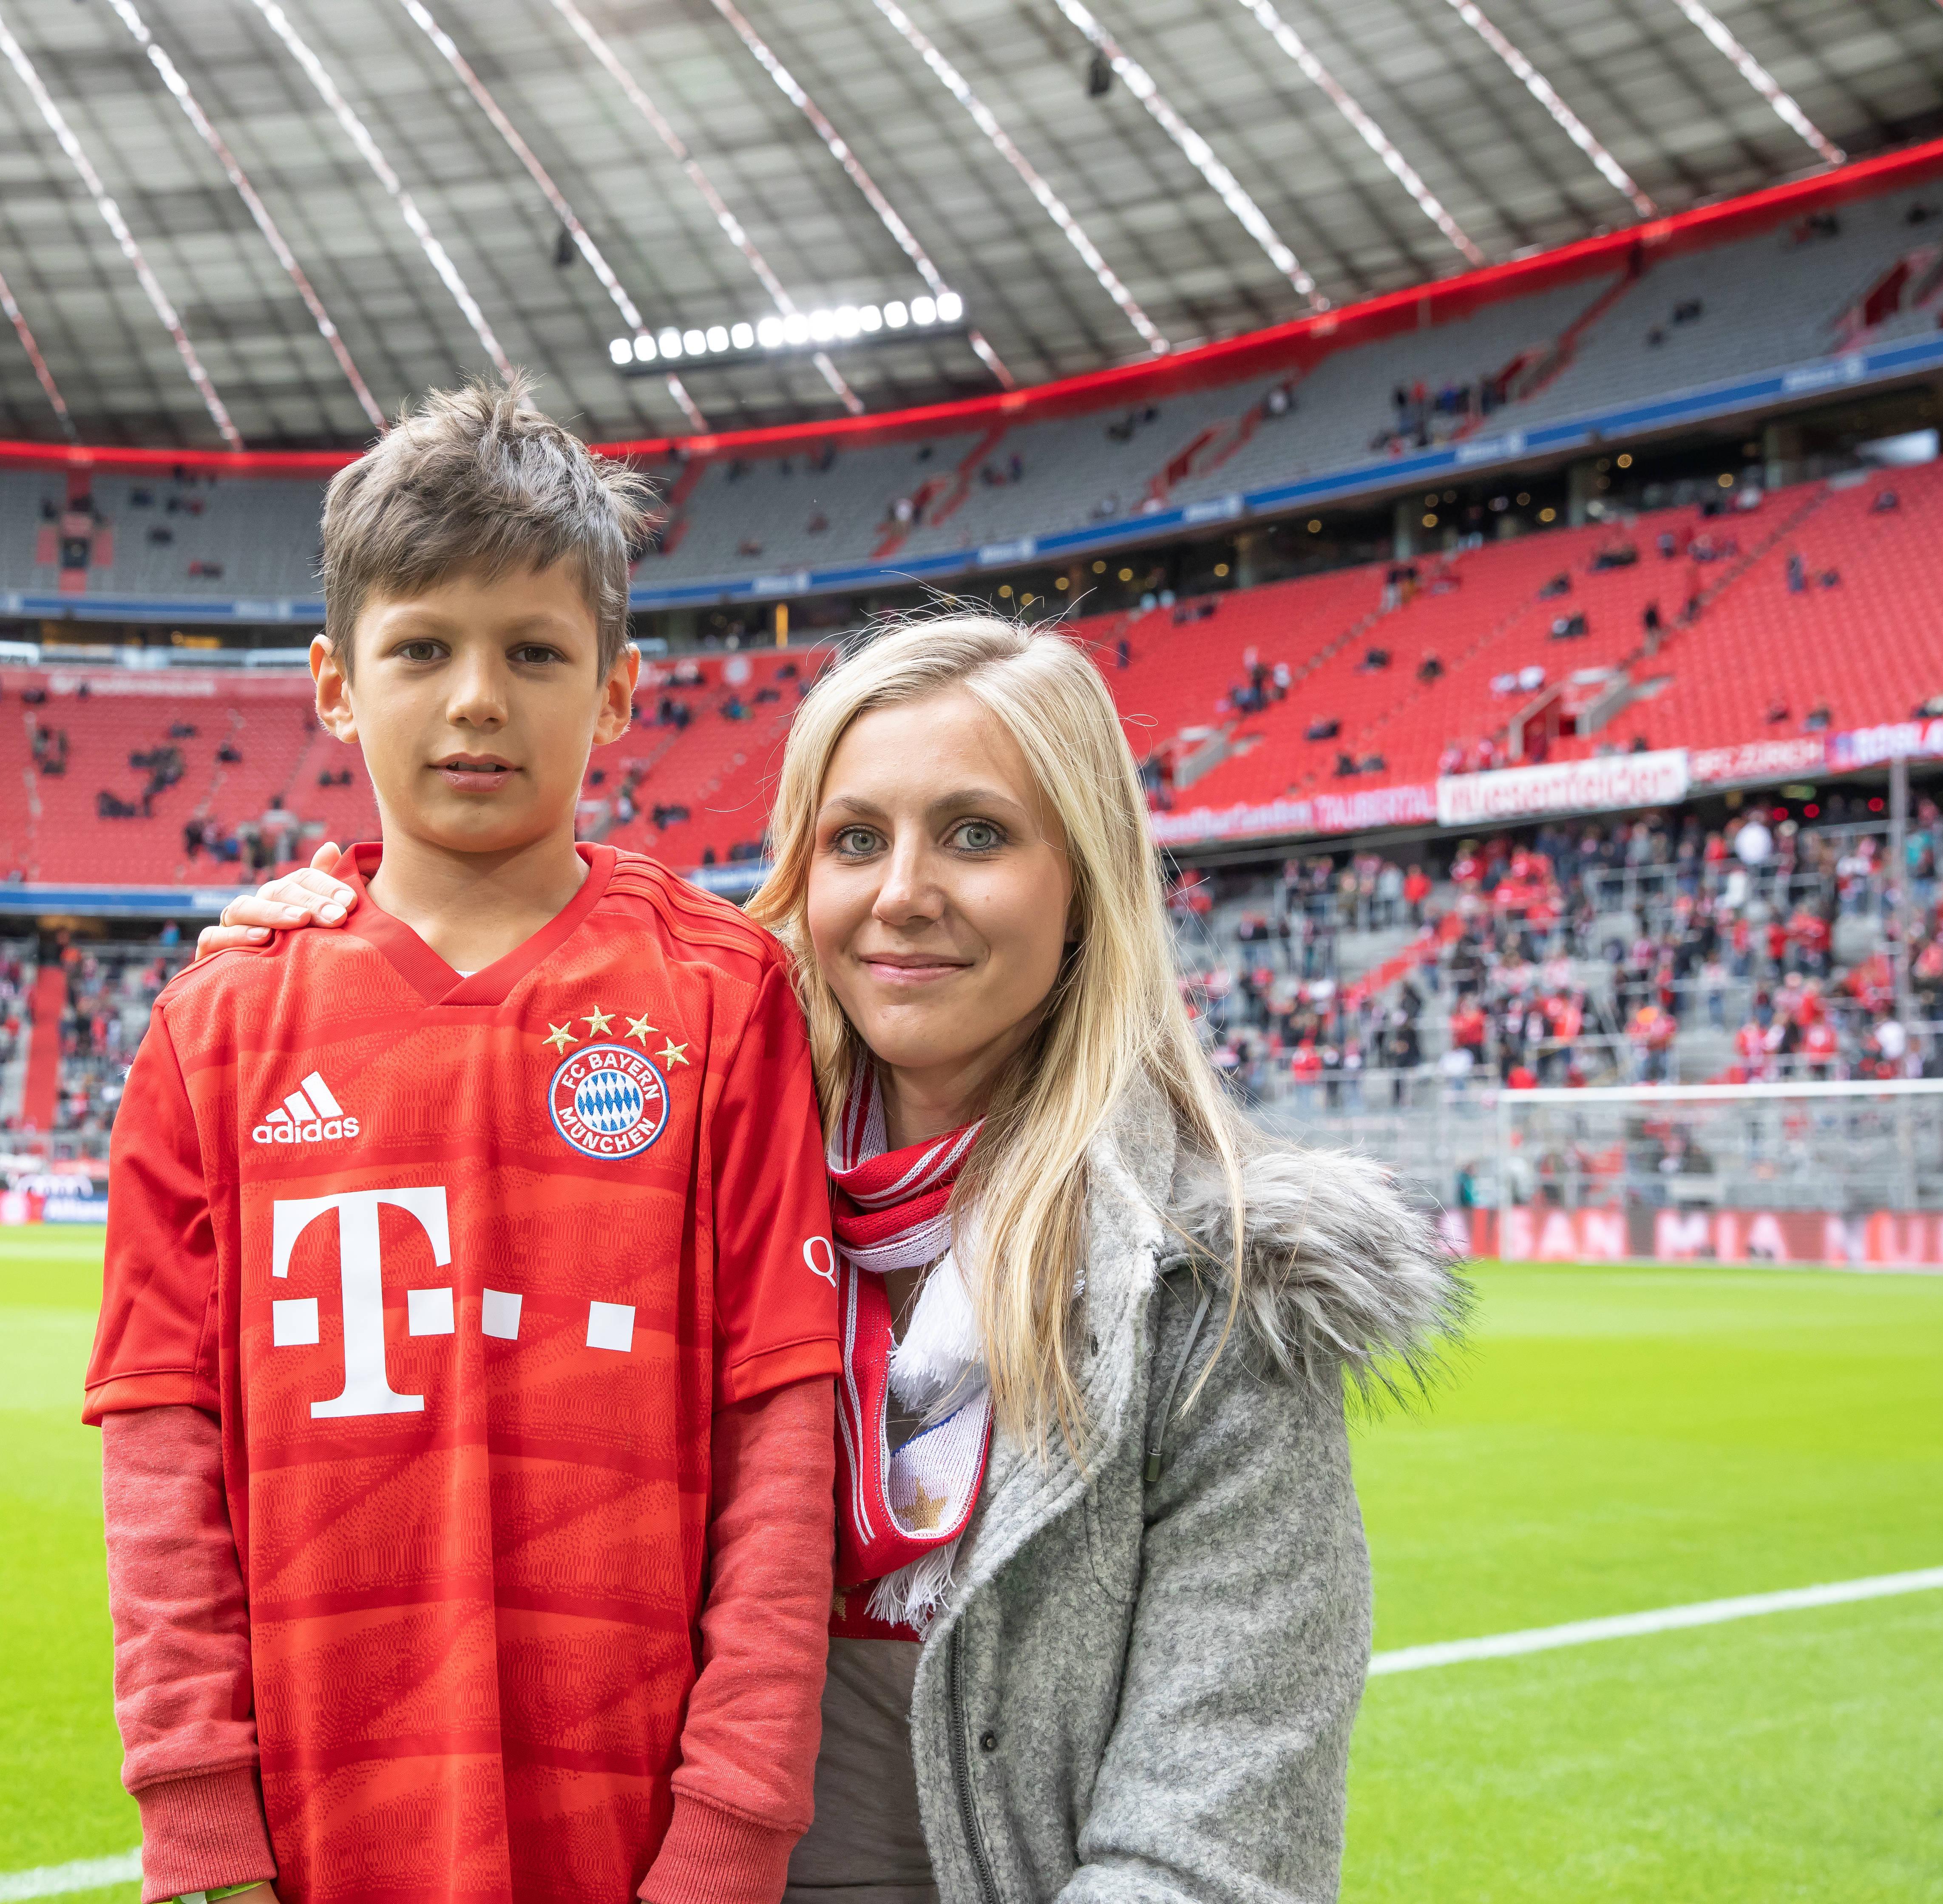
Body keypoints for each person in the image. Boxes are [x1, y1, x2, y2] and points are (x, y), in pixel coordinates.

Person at [213, 616, 1464, 1901]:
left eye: (978, 835)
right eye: (855, 839)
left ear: (1086, 882)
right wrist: (334, 941)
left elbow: (1210, 1853)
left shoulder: (1215, 1299)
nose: (902, 892)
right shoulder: (675, 1181)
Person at [88, 376, 841, 1904]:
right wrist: (201, 1825)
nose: (477, 698)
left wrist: (732, 1832)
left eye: (535, 653)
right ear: (335, 683)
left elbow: (781, 1439)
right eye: (422, 649)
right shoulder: (214, 1029)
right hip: (315, 1828)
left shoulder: (724, 995)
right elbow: (165, 1460)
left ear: (620, 691)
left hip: (634, 1837)